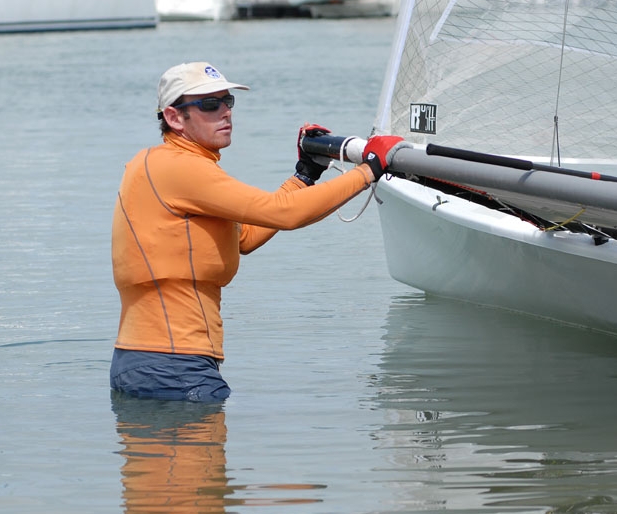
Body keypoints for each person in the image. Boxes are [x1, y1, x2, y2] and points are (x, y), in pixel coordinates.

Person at [110, 61, 407, 402]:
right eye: (209, 104)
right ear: (175, 118)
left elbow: (245, 238)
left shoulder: (160, 165)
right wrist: (370, 169)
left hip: (145, 360)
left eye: (228, 102)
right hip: (173, 364)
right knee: (202, 457)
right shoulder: (179, 168)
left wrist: (305, 175)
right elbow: (286, 214)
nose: (225, 112)